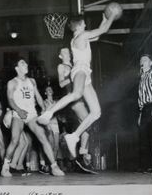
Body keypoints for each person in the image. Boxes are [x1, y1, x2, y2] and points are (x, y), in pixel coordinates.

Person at [38, 13, 116, 158]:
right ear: (80, 25)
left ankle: (74, 136)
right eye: (84, 24)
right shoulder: (81, 36)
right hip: (80, 69)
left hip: (85, 72)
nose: (86, 26)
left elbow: (97, 36)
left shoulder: (79, 38)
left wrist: (104, 20)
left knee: (96, 112)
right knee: (76, 94)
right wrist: (112, 16)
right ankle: (49, 113)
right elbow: (103, 31)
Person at [1, 58, 65, 177]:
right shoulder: (12, 82)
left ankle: (54, 166)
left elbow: (38, 96)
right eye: (22, 63)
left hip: (31, 114)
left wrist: (44, 109)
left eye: (26, 62)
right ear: (17, 68)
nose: (26, 64)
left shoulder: (32, 81)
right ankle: (5, 167)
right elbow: (10, 99)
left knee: (43, 138)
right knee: (15, 140)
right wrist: (19, 111)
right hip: (18, 113)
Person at [57, 47, 94, 172]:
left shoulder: (75, 65)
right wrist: (74, 76)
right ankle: (82, 156)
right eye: (64, 51)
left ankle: (82, 157)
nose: (67, 52)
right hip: (73, 100)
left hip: (81, 98)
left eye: (68, 51)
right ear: (60, 56)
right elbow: (61, 84)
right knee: (88, 122)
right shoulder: (61, 66)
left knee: (87, 124)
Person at [137, 54, 152, 173]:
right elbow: (141, 98)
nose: (142, 61)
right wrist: (140, 114)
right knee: (143, 139)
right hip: (144, 109)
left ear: (151, 63)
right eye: (141, 60)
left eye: (145, 60)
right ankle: (146, 166)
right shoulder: (142, 77)